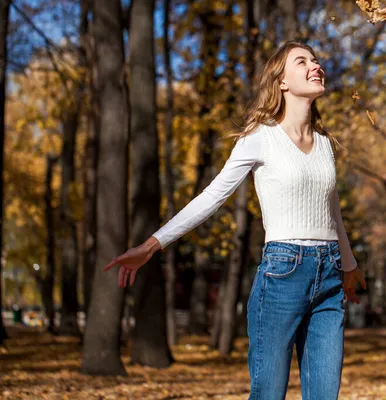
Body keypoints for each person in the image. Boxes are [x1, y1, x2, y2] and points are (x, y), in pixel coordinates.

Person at [103, 40, 367, 400]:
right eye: (302, 61)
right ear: (282, 82)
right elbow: (212, 196)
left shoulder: (324, 144)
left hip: (330, 278)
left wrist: (349, 266)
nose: (316, 66)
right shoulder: (260, 138)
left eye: (316, 60)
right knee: (268, 394)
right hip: (282, 274)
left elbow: (332, 210)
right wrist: (152, 245)